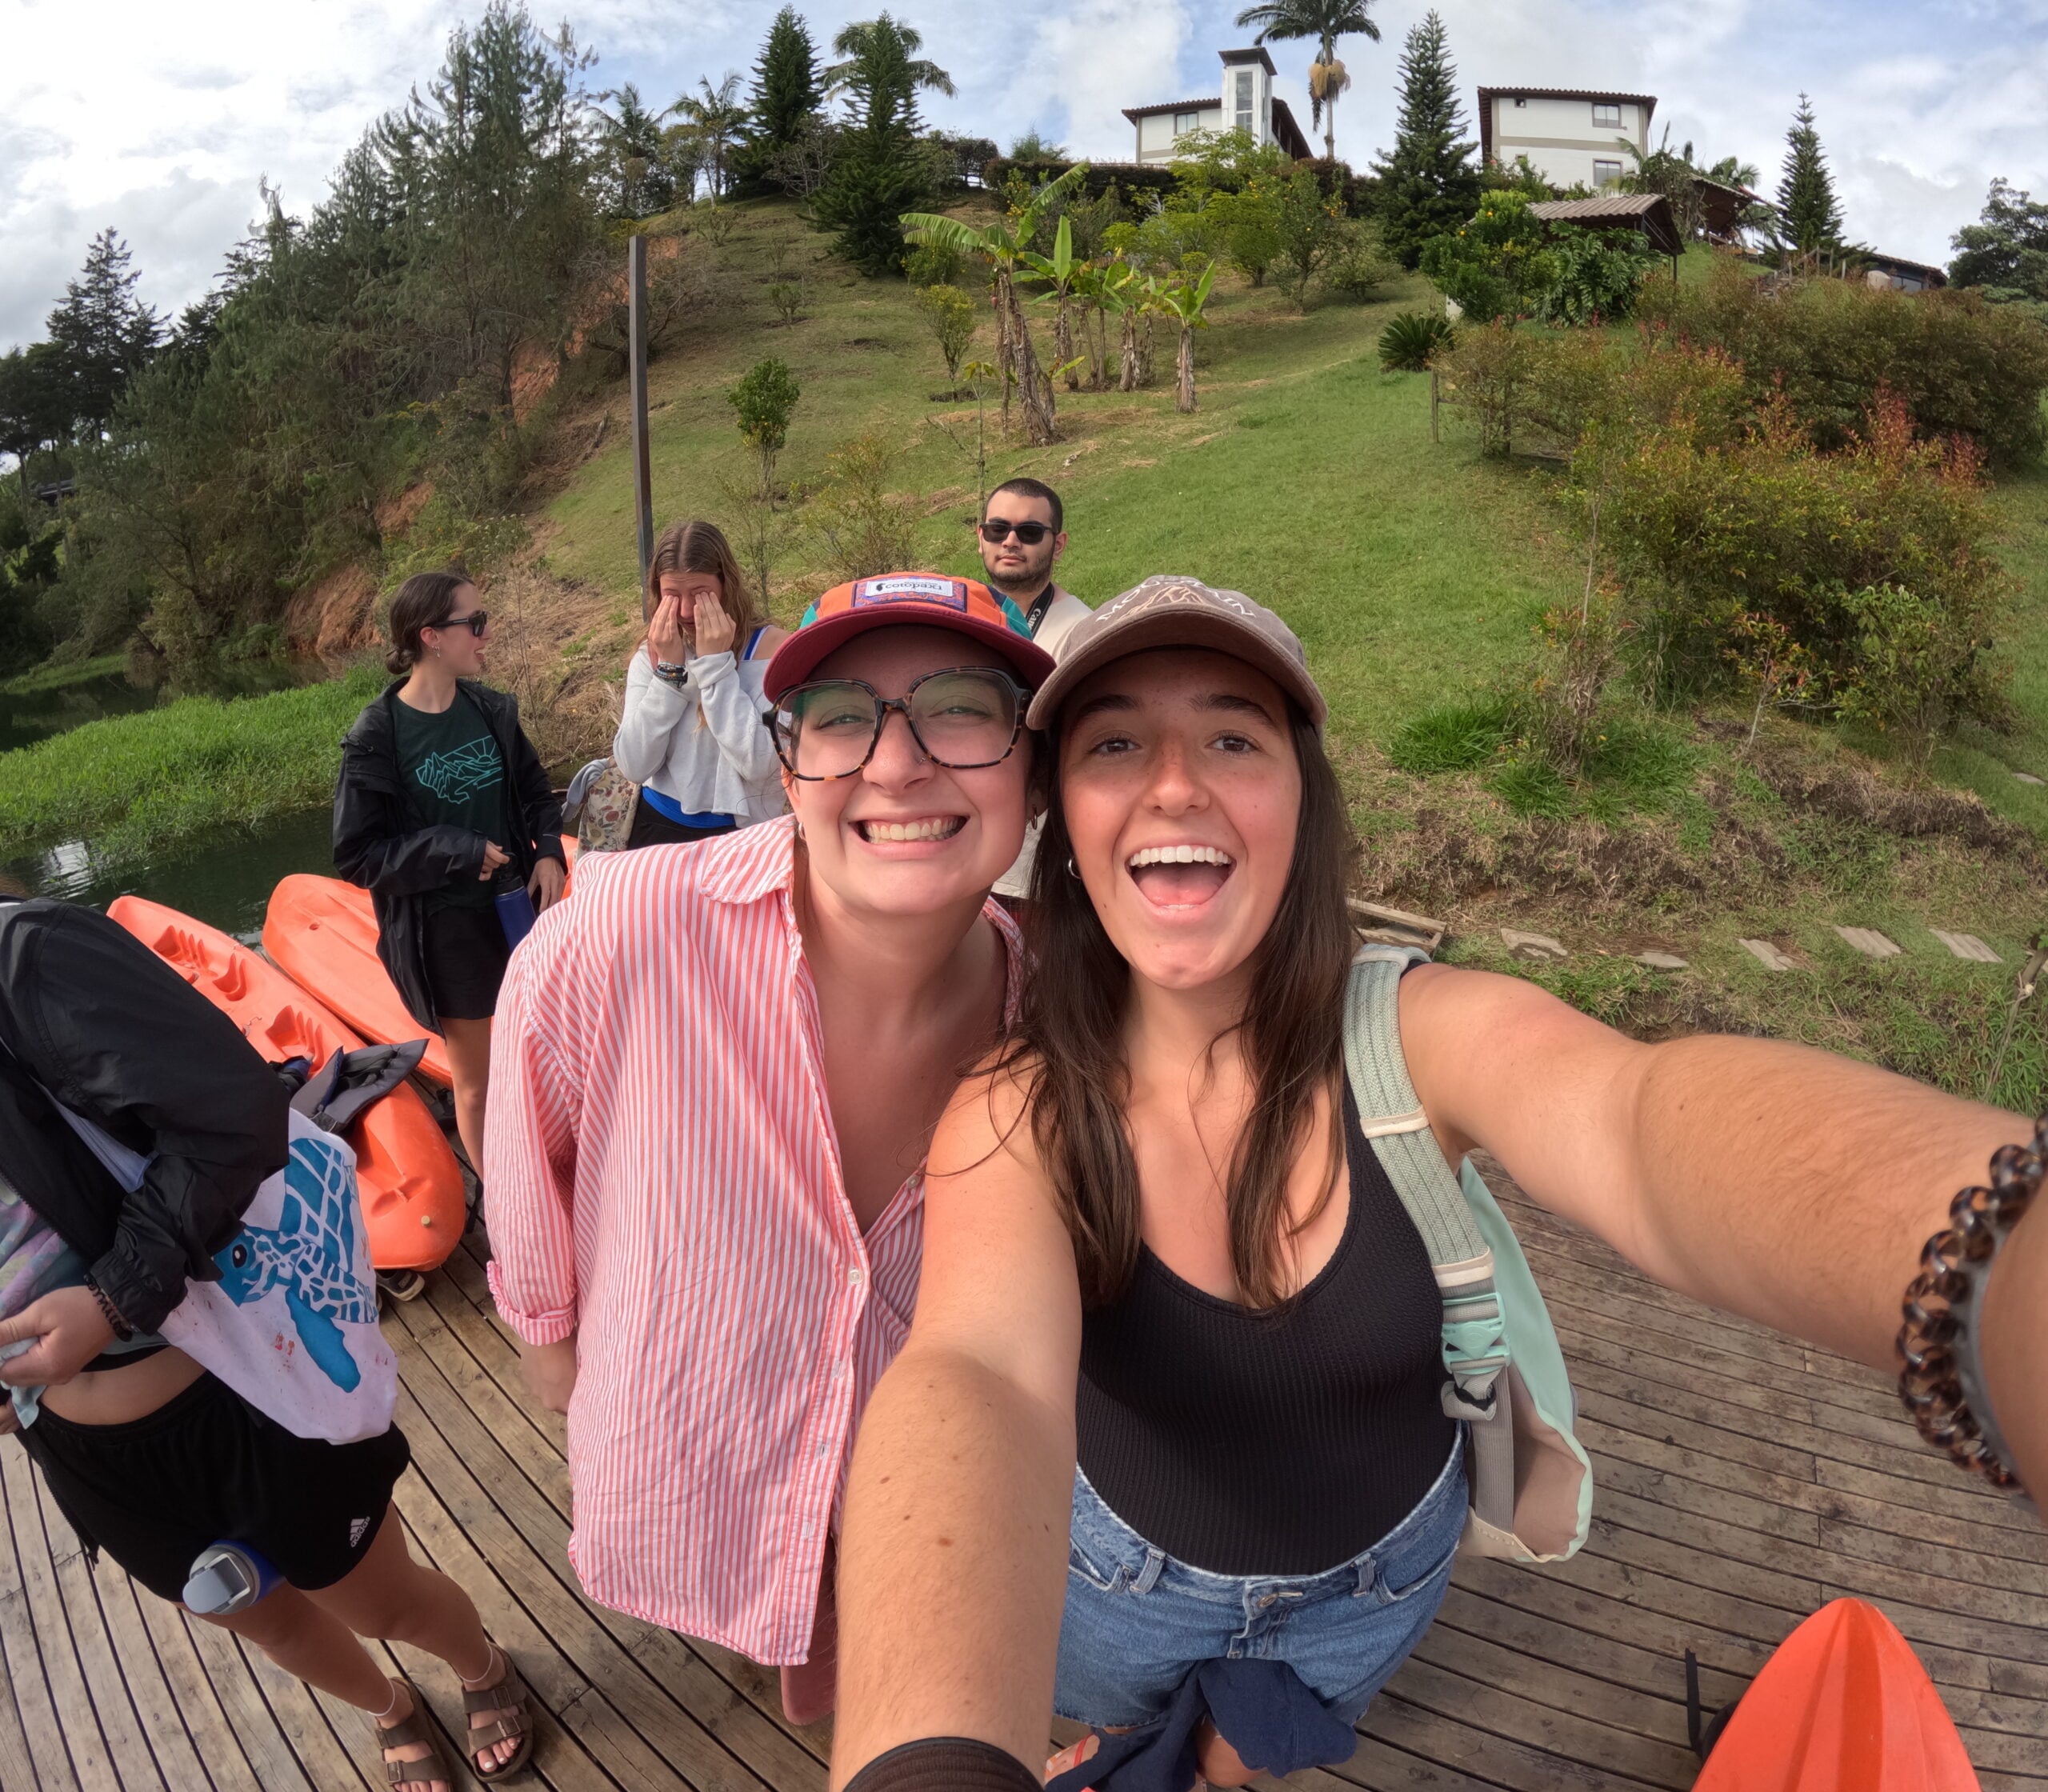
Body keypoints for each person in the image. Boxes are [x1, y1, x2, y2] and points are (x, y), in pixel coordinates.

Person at [828, 578, 2046, 1792]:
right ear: (1062, 817)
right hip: (1108, 1605)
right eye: (1115, 744)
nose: (1177, 784)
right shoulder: (1019, 1107)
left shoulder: (1416, 1039)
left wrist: (2004, 1261)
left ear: (1305, 799)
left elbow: (1633, 1119)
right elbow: (974, 1378)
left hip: (1375, 1594)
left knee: (1249, 1753)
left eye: (1234, 736)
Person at [484, 572, 1057, 1726]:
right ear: (786, 767)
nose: (895, 765)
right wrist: (549, 1333)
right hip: (700, 1443)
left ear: (1032, 778)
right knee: (772, 1627)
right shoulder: (622, 928)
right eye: (841, 716)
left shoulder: (1064, 1018)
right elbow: (524, 1133)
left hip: (933, 1491)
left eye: (961, 707)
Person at [0, 887, 532, 1788]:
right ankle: (389, 1708)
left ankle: (485, 1666)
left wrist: (112, 1299)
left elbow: (235, 1114)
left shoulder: (26, 956)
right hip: (81, 1449)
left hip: (242, 1392)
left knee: (380, 1595)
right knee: (266, 1618)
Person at [334, 570, 566, 1179]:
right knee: (478, 1081)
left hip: (518, 911)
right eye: (477, 623)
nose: (487, 635)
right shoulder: (377, 738)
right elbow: (359, 856)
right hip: (448, 931)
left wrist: (548, 854)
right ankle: (505, 1201)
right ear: (432, 637)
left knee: (542, 1052)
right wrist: (455, 850)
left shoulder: (490, 710)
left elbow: (538, 793)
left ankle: (550, 1166)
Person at [613, 518, 790, 849]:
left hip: (745, 835)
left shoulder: (773, 652)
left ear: (726, 585)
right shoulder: (653, 654)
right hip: (657, 830)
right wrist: (668, 674)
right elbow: (634, 765)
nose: (685, 610)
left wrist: (715, 667)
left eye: (700, 593)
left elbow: (760, 765)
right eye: (671, 594)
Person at [973, 478, 1090, 908]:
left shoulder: (1080, 633)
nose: (1010, 541)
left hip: (1035, 873)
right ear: (980, 537)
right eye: (997, 529)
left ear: (1057, 545)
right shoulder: (964, 619)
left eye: (1030, 532)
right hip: (967, 858)